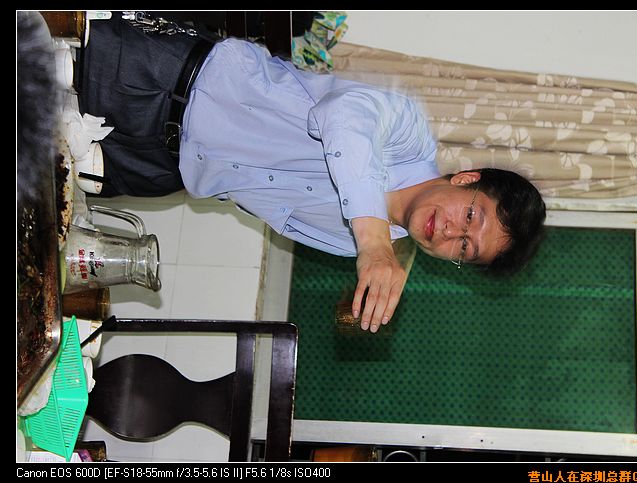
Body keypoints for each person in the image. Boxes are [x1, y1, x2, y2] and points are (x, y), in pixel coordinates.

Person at [78, 13, 546, 333]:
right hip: (166, 79)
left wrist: (376, 257)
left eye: (464, 248)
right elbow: (342, 119)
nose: (450, 233)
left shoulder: (355, 245)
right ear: (466, 179)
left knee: (48, 183)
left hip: (160, 172)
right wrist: (376, 244)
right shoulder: (407, 132)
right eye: (470, 217)